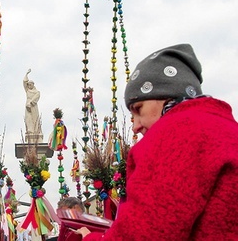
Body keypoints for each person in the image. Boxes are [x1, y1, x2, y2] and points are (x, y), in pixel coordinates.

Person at [76, 44, 238, 240]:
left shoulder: (178, 132)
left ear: (166, 96)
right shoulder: (225, 129)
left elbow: (145, 233)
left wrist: (88, 238)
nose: (135, 126)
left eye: (138, 108)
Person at [23, 68, 43, 142]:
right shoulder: (27, 90)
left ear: (33, 84)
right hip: (27, 106)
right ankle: (30, 131)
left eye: (30, 85)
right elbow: (24, 82)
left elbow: (36, 98)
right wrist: (27, 74)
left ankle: (36, 131)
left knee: (35, 119)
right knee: (28, 119)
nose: (29, 86)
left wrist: (31, 102)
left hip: (33, 106)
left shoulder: (37, 92)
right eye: (28, 85)